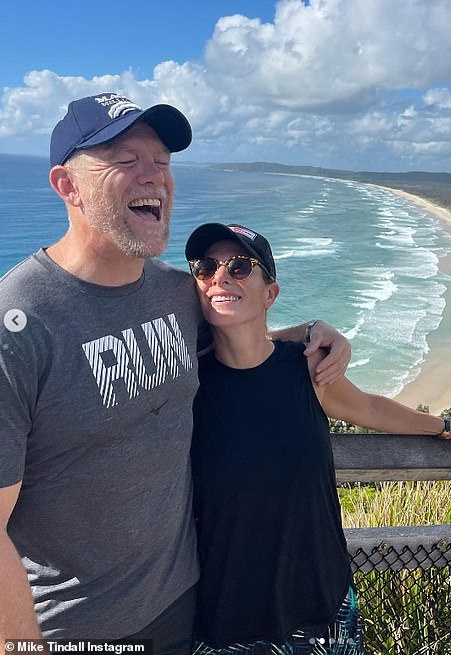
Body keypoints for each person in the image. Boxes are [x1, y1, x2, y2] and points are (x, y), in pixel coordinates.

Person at [0, 94, 350, 652]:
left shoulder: (174, 293)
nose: (153, 176)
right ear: (68, 186)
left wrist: (310, 332)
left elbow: (239, 334)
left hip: (187, 605)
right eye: (124, 158)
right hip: (74, 629)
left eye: (162, 161)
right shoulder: (18, 325)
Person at [185, 223, 451, 654]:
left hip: (323, 607)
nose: (220, 277)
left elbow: (367, 408)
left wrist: (444, 427)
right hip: (227, 623)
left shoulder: (305, 370)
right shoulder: (184, 385)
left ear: (270, 294)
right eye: (205, 267)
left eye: (239, 267)